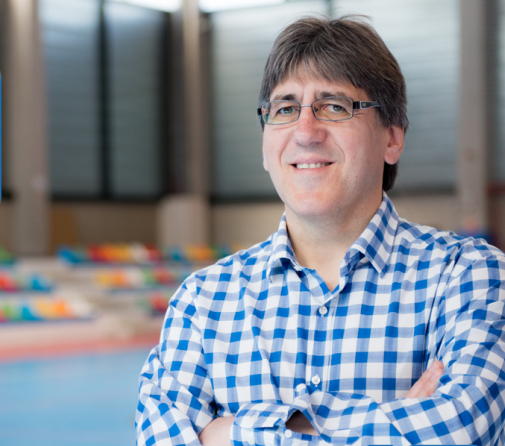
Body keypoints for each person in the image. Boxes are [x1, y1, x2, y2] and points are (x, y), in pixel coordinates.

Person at [136, 16, 505, 446]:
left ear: (392, 138)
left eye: (334, 106)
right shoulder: (202, 303)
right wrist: (394, 422)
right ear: (265, 146)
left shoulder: (470, 277)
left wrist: (228, 432)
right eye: (285, 109)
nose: (305, 132)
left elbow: (459, 431)